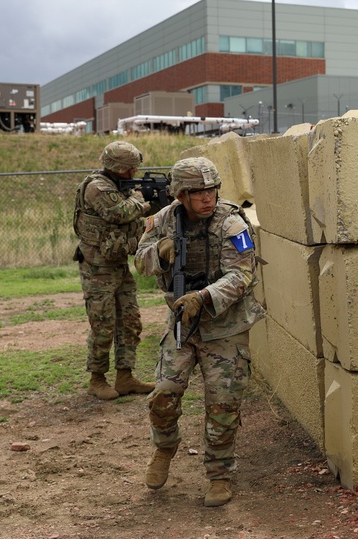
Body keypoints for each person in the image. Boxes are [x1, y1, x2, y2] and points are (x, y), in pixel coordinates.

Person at [135, 156, 265, 507]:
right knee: (163, 393)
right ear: (180, 195)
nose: (207, 198)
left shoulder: (231, 223)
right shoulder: (162, 219)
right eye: (198, 193)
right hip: (182, 324)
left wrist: (204, 296)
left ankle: (219, 474)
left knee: (223, 404)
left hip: (225, 327)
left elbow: (242, 275)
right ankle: (164, 448)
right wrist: (160, 254)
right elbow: (139, 260)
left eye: (211, 190)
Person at [73, 140, 156, 401]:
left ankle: (125, 376)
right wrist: (142, 200)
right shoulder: (98, 187)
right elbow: (118, 213)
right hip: (97, 267)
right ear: (117, 167)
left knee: (130, 320)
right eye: (130, 168)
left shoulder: (118, 186)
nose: (134, 173)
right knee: (103, 324)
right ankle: (97, 379)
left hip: (117, 263)